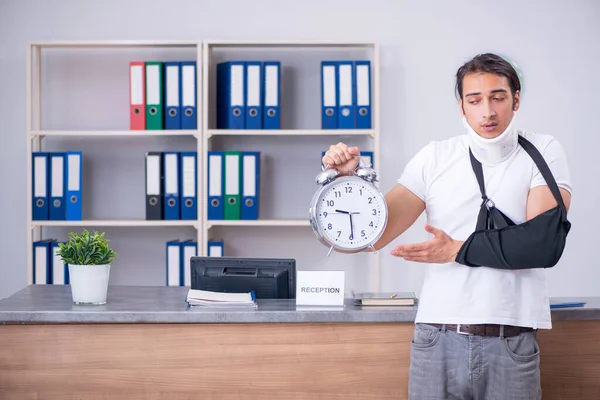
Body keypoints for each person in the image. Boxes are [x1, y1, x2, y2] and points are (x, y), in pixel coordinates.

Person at [322, 53, 572, 400]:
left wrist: (456, 249)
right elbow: (371, 236)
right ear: (461, 106)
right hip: (436, 338)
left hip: (510, 340)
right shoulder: (434, 157)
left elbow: (541, 244)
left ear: (516, 99)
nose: (488, 111)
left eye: (498, 97)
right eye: (475, 100)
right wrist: (349, 182)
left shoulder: (543, 150)